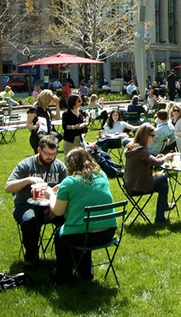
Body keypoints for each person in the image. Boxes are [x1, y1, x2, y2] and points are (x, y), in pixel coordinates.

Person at [44, 148, 116, 284]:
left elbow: (58, 212)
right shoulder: (101, 176)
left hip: (84, 236)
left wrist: (51, 195)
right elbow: (86, 190)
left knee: (61, 236)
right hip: (108, 232)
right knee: (83, 226)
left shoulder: (70, 182)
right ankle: (86, 272)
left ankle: (63, 277)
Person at [5, 135, 66, 266]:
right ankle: (31, 257)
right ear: (39, 150)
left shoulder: (60, 167)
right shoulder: (25, 165)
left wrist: (55, 208)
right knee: (30, 220)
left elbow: (67, 190)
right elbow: (8, 187)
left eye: (53, 154)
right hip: (26, 205)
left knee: (70, 218)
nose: (50, 157)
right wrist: (27, 180)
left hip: (51, 205)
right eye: (47, 154)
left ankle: (66, 258)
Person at [123, 123, 176, 223]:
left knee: (163, 187)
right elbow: (157, 163)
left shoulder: (133, 147)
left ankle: (160, 219)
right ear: (145, 135)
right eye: (152, 136)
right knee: (164, 176)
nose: (153, 138)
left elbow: (149, 161)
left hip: (129, 184)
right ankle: (164, 207)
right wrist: (166, 156)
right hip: (138, 186)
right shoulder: (141, 150)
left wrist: (156, 158)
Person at [26, 89, 62, 153]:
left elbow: (57, 117)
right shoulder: (34, 109)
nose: (52, 101)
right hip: (37, 138)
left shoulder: (47, 109)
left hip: (47, 137)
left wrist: (57, 105)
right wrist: (35, 126)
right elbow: (27, 124)